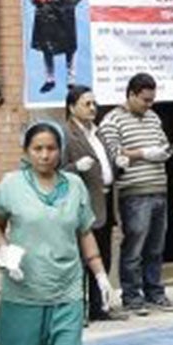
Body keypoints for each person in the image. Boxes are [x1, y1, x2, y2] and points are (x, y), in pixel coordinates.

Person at [0, 121, 112, 345]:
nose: (45, 155)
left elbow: (85, 231)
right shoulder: (11, 185)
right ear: (26, 152)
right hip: (23, 290)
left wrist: (100, 274)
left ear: (60, 150)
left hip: (67, 289)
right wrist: (4, 251)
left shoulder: (74, 186)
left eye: (51, 148)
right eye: (37, 149)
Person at [98, 73, 173, 315]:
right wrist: (143, 153)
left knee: (156, 247)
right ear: (131, 94)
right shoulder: (113, 120)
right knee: (134, 246)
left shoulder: (153, 117)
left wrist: (161, 152)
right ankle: (132, 296)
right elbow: (111, 154)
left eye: (152, 100)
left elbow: (163, 146)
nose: (149, 105)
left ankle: (155, 292)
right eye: (144, 100)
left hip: (159, 188)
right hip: (134, 192)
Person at [63, 86, 122, 324]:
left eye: (94, 104)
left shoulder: (97, 133)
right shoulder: (66, 134)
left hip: (105, 200)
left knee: (103, 256)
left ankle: (99, 307)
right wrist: (76, 167)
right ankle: (79, 310)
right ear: (71, 107)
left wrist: (119, 163)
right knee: (81, 259)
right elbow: (54, 171)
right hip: (82, 204)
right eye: (86, 104)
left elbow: (106, 166)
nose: (92, 109)